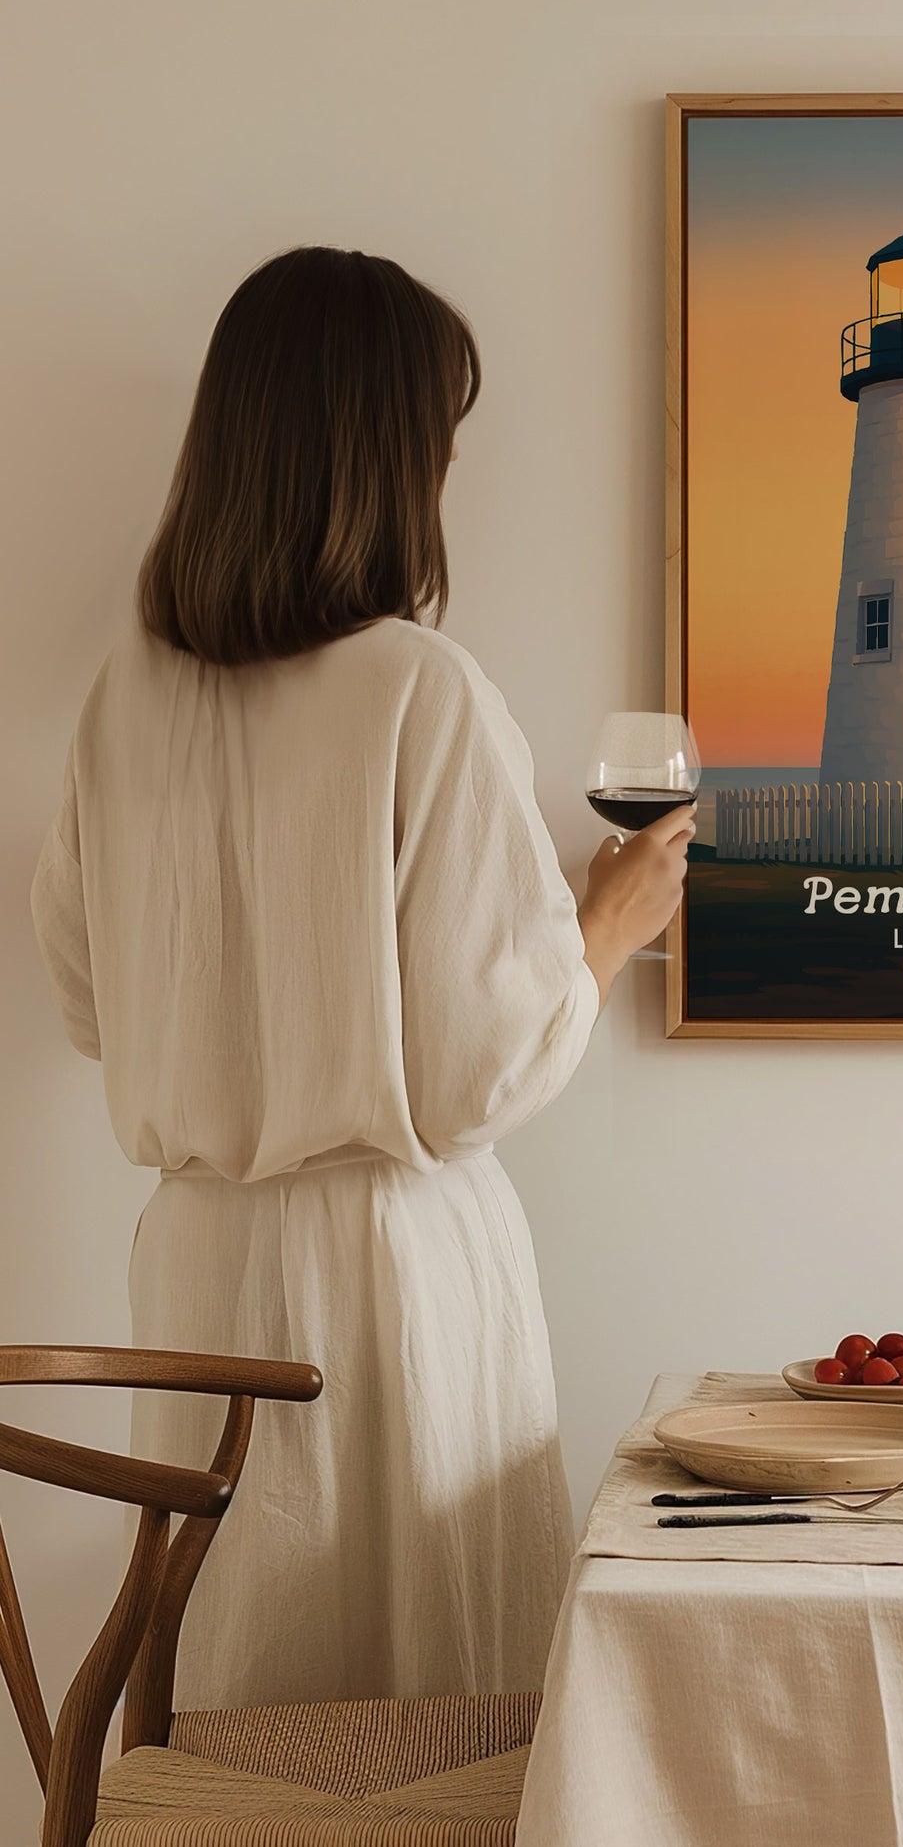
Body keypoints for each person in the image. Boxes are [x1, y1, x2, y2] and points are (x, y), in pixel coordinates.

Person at [29, 246, 690, 1707]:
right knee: (427, 1708)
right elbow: (474, 1076)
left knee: (238, 1687)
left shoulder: (124, 699)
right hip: (390, 1272)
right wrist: (605, 924)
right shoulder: (418, 687)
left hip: (197, 1264)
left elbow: (87, 1000)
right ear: (388, 454)